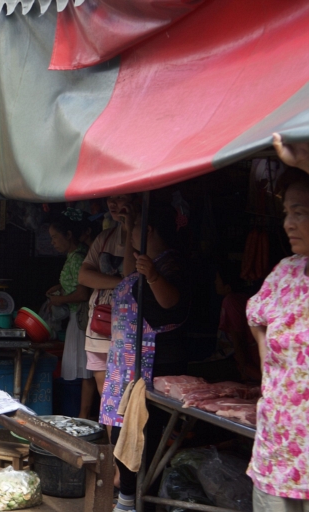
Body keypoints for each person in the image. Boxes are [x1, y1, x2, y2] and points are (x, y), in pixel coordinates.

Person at [99, 204, 191, 512]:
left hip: (151, 364)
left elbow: (171, 303)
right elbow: (128, 276)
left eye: (134, 228)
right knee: (124, 427)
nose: (129, 235)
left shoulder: (171, 264)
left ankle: (130, 498)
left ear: (149, 229)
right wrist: (127, 224)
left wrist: (152, 276)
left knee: (140, 431)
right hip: (126, 361)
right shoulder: (144, 262)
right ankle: (126, 494)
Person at [245, 160, 309, 510]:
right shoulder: (285, 272)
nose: (287, 224)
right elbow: (255, 314)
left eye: (298, 212)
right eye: (286, 212)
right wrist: (264, 353)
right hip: (278, 448)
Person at [77, 194, 136, 423]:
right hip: (99, 325)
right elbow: (84, 275)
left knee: (126, 394)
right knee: (107, 396)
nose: (113, 204)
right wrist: (121, 283)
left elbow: (133, 274)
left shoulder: (143, 235)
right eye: (110, 198)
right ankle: (113, 449)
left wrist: (131, 228)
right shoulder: (104, 237)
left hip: (128, 326)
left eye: (121, 198)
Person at [46, 210, 94, 418]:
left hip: (83, 320)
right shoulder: (75, 255)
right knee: (82, 369)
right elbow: (75, 281)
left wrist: (59, 299)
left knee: (85, 370)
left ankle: (82, 416)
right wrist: (59, 286)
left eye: (55, 237)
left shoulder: (78, 258)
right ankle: (79, 415)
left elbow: (82, 292)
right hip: (76, 319)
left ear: (68, 234)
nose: (53, 242)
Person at [214, 263, 260, 382]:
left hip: (248, 358)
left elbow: (237, 337)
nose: (215, 282)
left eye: (217, 279)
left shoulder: (231, 301)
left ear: (228, 287)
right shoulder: (244, 298)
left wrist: (244, 368)